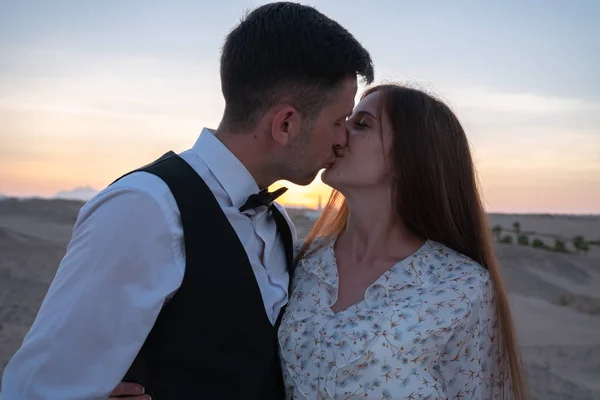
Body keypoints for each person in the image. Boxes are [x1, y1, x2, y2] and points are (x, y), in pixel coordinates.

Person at [0, 2, 374, 399]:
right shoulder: (145, 209)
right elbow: (37, 387)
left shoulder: (278, 221)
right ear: (285, 124)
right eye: (338, 121)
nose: (342, 138)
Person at [115, 83, 528, 399]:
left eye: (361, 124)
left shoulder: (461, 287)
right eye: (344, 120)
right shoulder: (299, 261)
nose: (339, 135)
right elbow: (216, 349)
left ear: (413, 156)